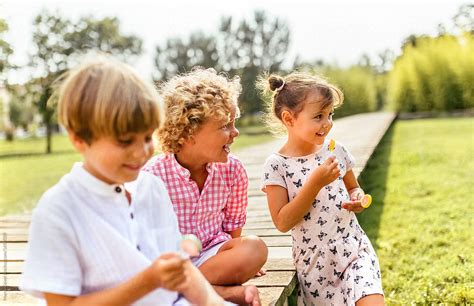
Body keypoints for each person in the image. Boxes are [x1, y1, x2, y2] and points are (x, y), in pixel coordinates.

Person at [20, 57, 224, 306]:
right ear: (79, 139)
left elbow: (182, 270)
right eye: (125, 141)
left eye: (148, 137)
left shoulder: (152, 188)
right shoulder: (59, 209)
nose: (141, 152)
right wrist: (148, 281)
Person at [143, 68, 267, 306]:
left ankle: (187, 290)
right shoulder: (152, 177)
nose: (235, 132)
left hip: (213, 257)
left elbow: (233, 229)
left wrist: (238, 263)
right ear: (188, 132)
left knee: (255, 249)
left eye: (234, 122)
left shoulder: (232, 170)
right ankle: (220, 293)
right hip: (171, 262)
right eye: (225, 126)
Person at [258, 72, 384, 306]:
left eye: (330, 114)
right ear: (289, 119)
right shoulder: (276, 166)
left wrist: (357, 198)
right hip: (316, 264)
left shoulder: (336, 149)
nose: (327, 123)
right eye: (318, 116)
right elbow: (282, 222)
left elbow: (353, 187)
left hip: (353, 247)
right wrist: (314, 184)